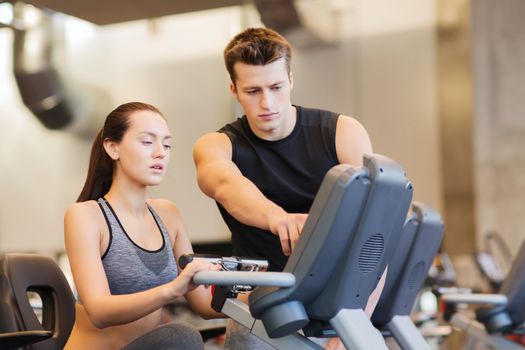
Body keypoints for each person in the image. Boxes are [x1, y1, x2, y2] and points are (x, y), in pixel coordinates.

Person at [193, 28, 384, 349]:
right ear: (234, 90)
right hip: (262, 307)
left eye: (276, 87)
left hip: (339, 303)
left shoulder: (341, 132)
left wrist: (354, 325)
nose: (267, 102)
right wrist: (277, 218)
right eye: (253, 91)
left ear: (291, 80)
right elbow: (226, 183)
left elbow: (374, 236)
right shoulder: (217, 145)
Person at [64, 102, 221, 350]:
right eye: (148, 142)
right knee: (181, 337)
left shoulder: (168, 214)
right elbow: (99, 311)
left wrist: (266, 295)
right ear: (112, 148)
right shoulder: (85, 216)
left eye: (167, 145)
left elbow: (203, 304)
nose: (160, 152)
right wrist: (172, 289)